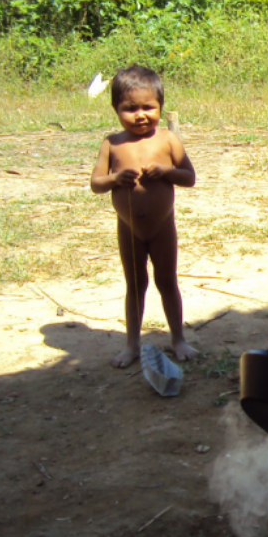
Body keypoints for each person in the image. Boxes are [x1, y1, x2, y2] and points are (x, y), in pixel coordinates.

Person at [90, 65, 197, 366]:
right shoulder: (112, 144)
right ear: (115, 109)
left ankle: (178, 339)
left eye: (148, 107)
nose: (140, 115)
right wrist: (114, 179)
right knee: (135, 285)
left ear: (161, 107)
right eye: (130, 108)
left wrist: (166, 172)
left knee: (167, 282)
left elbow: (189, 177)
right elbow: (96, 184)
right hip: (129, 228)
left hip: (163, 227)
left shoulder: (167, 140)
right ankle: (132, 344)